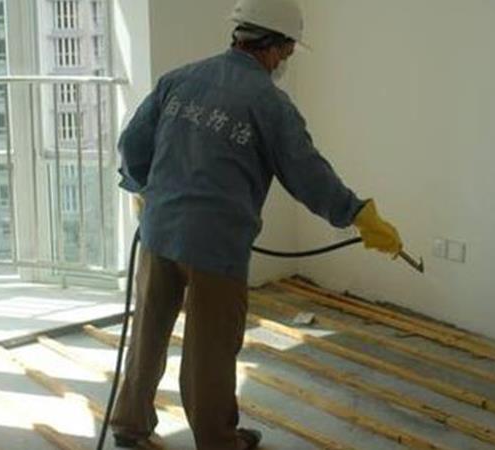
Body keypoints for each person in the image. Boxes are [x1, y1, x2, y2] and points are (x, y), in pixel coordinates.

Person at [111, 0, 403, 449]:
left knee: (146, 334)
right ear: (274, 46)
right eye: (288, 50)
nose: (287, 59)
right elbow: (308, 174)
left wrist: (141, 186)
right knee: (209, 352)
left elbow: (132, 143)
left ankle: (128, 425)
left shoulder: (180, 79)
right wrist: (356, 213)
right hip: (216, 249)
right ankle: (217, 441)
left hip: (158, 232)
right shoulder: (270, 104)